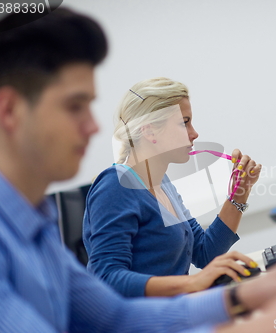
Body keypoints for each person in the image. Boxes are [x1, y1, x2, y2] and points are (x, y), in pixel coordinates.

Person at [0, 8, 276, 333]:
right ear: (9, 112)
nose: (95, 127)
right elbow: (111, 280)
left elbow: (119, 314)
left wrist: (238, 294)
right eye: (74, 106)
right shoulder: (114, 186)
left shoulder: (36, 223)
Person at [83, 77, 263, 297]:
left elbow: (205, 253)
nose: (194, 133)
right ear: (149, 132)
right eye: (184, 122)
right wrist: (192, 284)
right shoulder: (116, 186)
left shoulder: (163, 183)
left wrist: (240, 191)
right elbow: (108, 278)